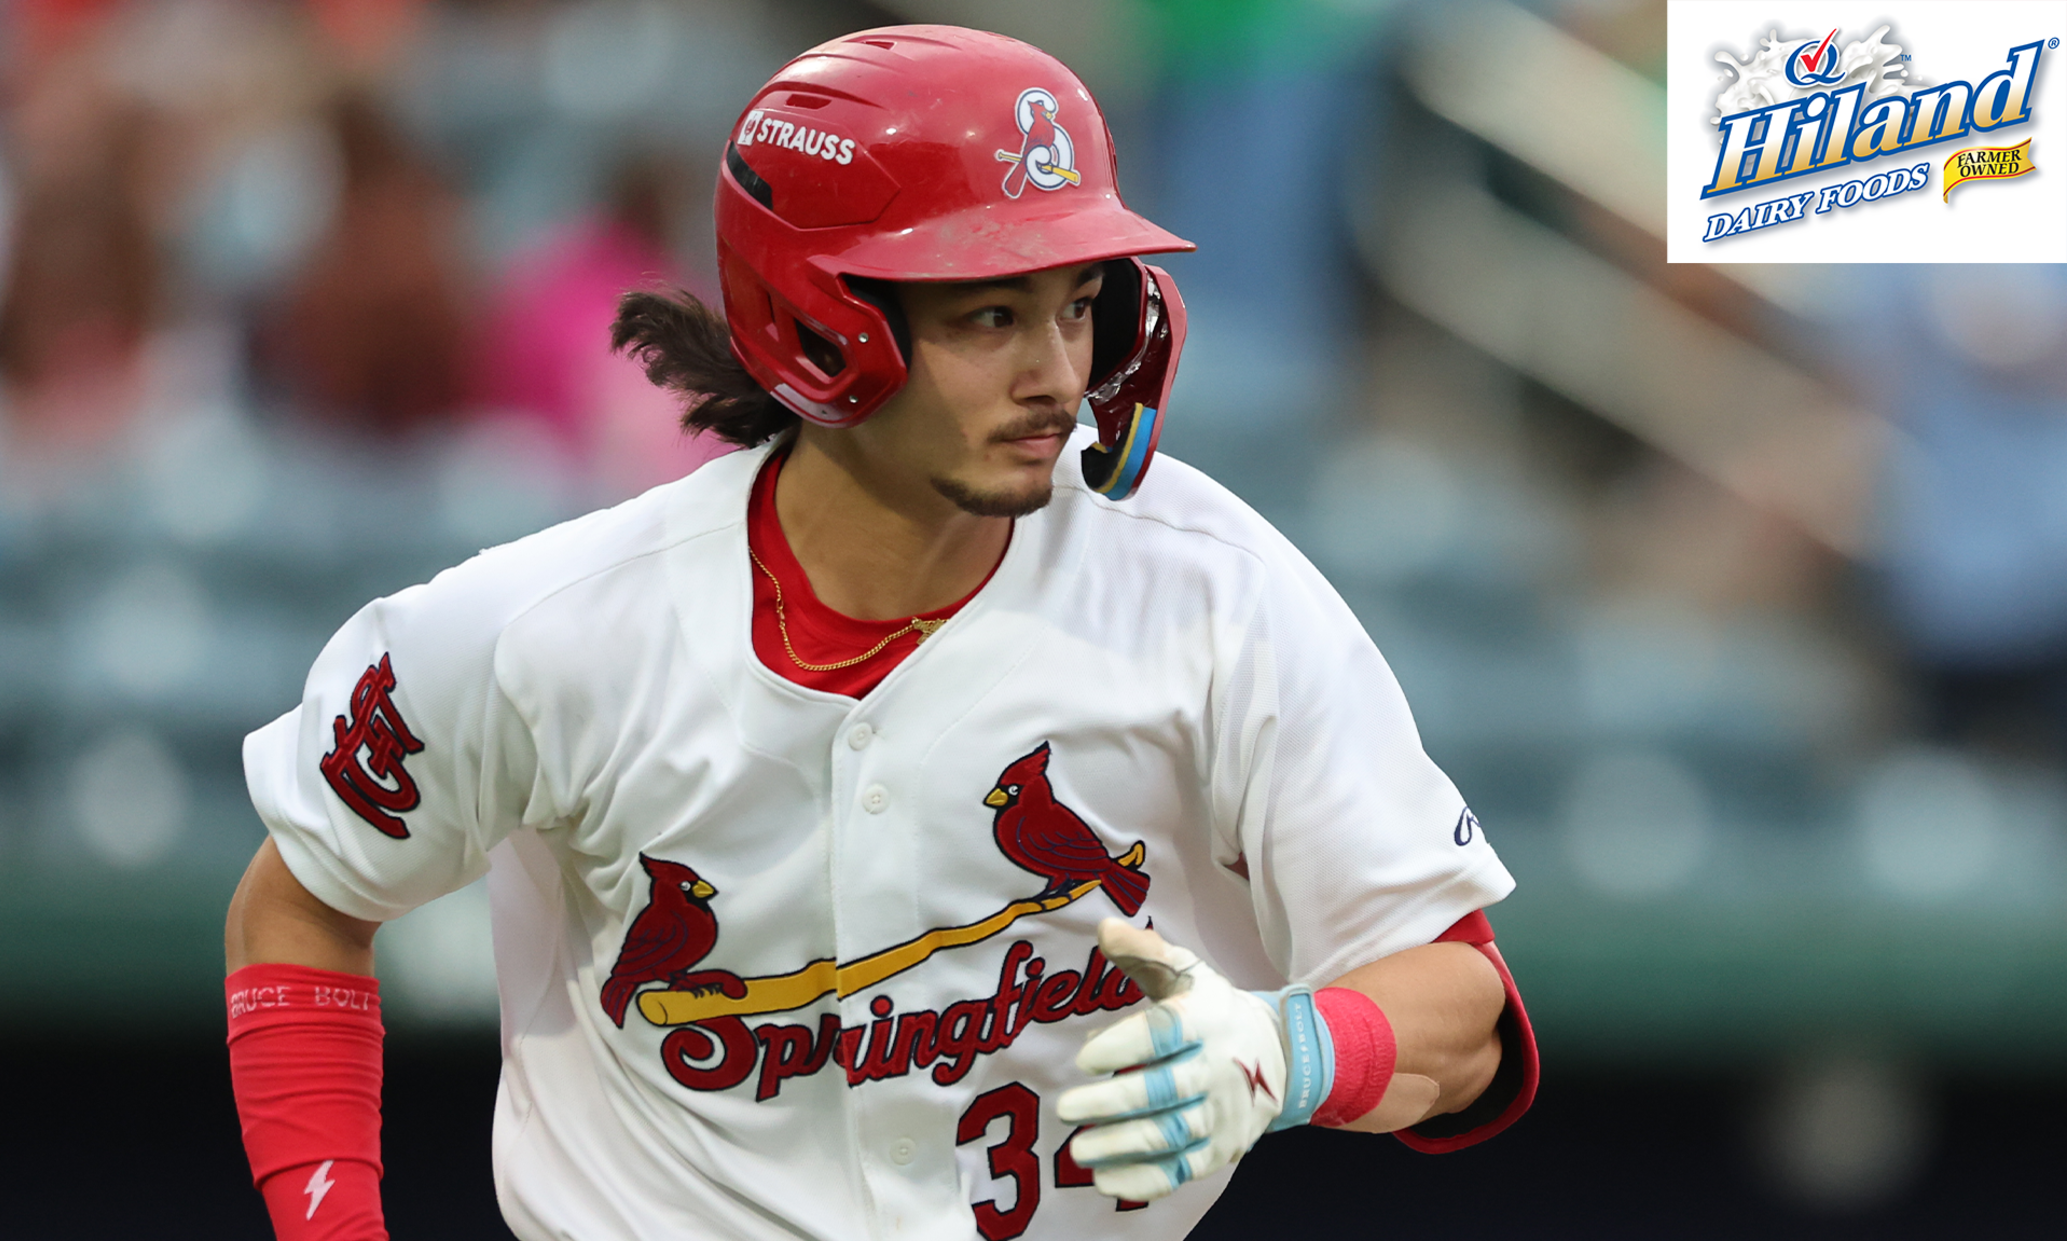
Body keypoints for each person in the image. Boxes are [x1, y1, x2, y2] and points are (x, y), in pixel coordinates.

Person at [222, 25, 1536, 1241]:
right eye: (991, 315)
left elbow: (1463, 1012)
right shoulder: (552, 627)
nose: (1059, 373)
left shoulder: (1213, 594)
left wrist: (1290, 1051)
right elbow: (302, 902)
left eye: (1080, 302)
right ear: (817, 322)